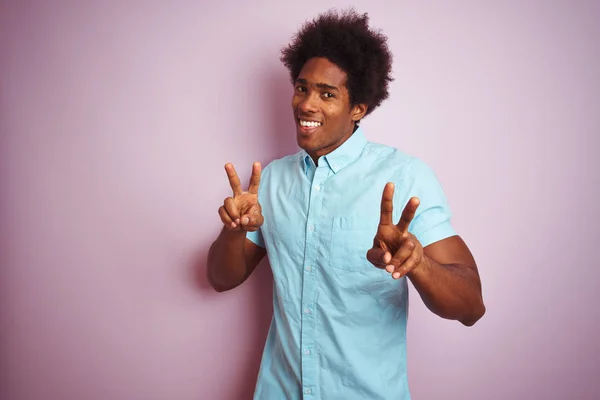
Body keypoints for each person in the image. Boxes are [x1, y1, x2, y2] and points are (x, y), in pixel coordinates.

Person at [207, 8, 485, 400]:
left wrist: (418, 263)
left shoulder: (403, 178)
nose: (306, 105)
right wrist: (234, 231)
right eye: (302, 88)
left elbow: (472, 306)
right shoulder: (269, 181)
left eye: (327, 94)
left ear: (359, 109)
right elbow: (221, 279)